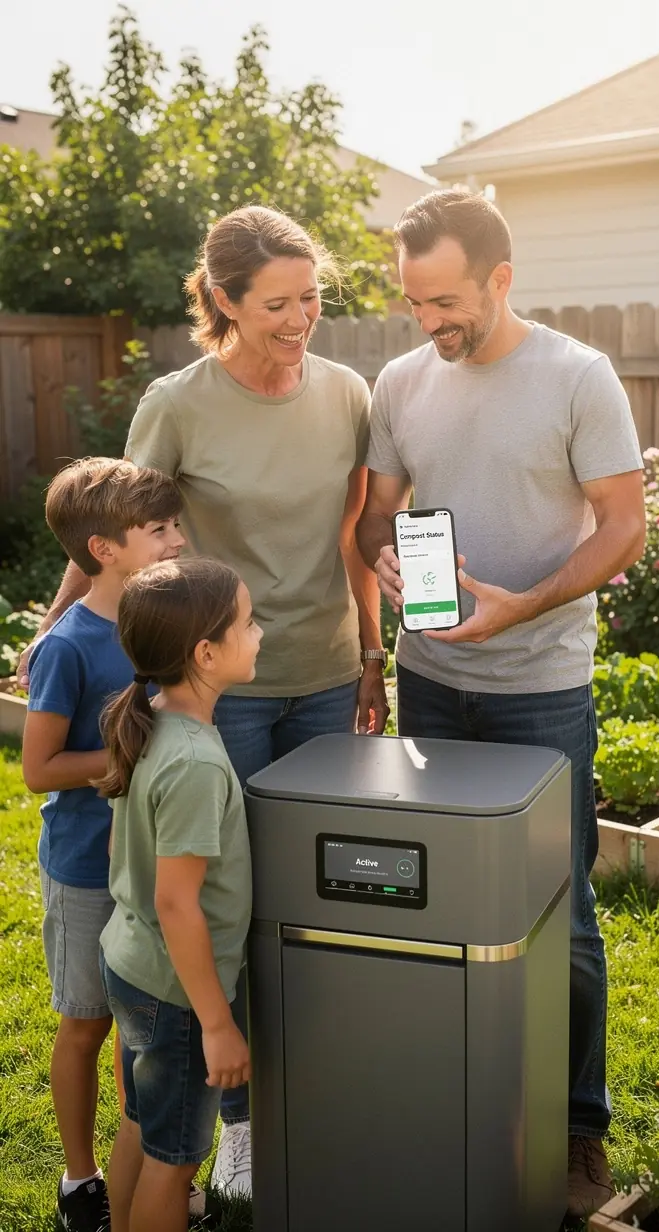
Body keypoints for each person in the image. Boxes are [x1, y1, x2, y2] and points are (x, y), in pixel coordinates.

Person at [19, 204, 389, 1195]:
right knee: (224, 902)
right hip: (217, 689)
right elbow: (114, 538)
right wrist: (54, 632)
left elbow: (356, 532)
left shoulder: (348, 392)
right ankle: (237, 1119)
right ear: (222, 300)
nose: (301, 317)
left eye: (313, 296)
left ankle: (308, 1086)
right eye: (277, 303)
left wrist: (374, 656)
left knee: (314, 897)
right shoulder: (178, 403)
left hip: (320, 671)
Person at [356, 189, 646, 1219]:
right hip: (432, 684)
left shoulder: (577, 376)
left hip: (540, 692)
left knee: (559, 918)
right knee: (442, 905)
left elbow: (623, 528)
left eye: (444, 300)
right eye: (414, 302)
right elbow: (374, 515)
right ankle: (462, 1093)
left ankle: (579, 1128)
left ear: (501, 278)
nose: (428, 321)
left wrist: (525, 603)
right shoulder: (401, 381)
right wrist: (382, 557)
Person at [22, 457, 185, 1232]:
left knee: (142, 1033)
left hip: (151, 869)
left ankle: (143, 1170)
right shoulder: (69, 647)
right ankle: (81, 1180)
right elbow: (37, 769)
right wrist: (131, 752)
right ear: (104, 549)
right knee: (87, 1024)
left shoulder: (163, 624)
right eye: (159, 530)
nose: (177, 539)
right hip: (88, 872)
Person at [96, 556, 261, 1232]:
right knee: (176, 1160)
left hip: (131, 967)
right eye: (249, 624)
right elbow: (176, 902)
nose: (259, 633)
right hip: (179, 997)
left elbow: (121, 855)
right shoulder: (194, 762)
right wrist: (218, 1025)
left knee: (142, 1125)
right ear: (205, 653)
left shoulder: (154, 721)